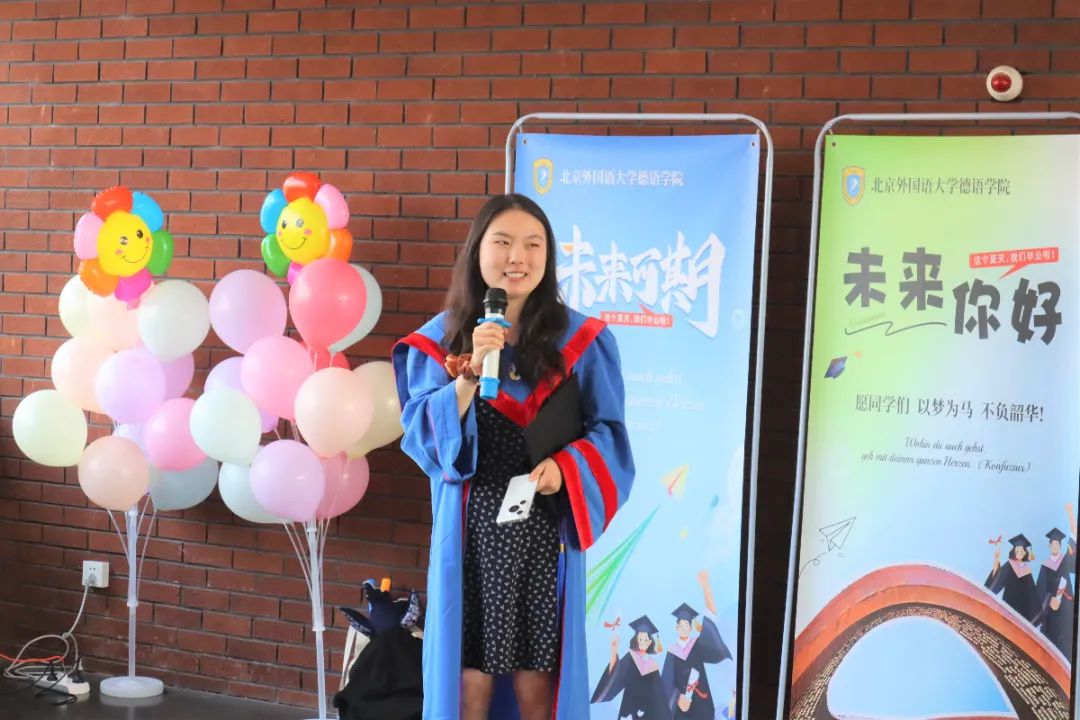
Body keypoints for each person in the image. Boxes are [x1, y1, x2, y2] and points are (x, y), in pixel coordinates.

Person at [392, 193, 635, 720]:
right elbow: (423, 437)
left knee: (537, 685)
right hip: (471, 533)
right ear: (477, 251)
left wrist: (566, 468)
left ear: (548, 257)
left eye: (533, 244)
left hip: (543, 532)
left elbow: (609, 435)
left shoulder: (583, 341)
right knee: (469, 685)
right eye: (502, 242)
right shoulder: (439, 341)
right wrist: (470, 373)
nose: (517, 257)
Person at [660, 571, 732, 719]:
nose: (684, 628)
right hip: (682, 711)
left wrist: (706, 586)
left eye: (687, 625)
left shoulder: (697, 646)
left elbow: (710, 619)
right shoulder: (672, 653)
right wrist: (678, 698)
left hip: (702, 705)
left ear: (691, 627)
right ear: (676, 628)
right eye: (681, 625)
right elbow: (666, 683)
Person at [591, 616, 672, 720]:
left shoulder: (653, 665)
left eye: (646, 639)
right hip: (629, 710)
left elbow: (659, 696)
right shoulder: (630, 658)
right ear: (636, 640)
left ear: (650, 642)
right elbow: (616, 676)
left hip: (649, 713)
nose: (643, 642)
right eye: (640, 639)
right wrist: (613, 653)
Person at [1034, 507, 1076, 656]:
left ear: (1060, 546)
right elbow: (1040, 589)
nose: (1055, 546)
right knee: (1049, 642)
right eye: (1053, 544)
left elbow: (1073, 548)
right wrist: (1049, 601)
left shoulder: (1065, 561)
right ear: (1049, 545)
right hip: (1050, 612)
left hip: (1065, 609)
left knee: (1066, 642)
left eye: (1058, 544)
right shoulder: (1045, 566)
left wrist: (1070, 515)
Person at [985, 533, 1039, 622]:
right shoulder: (1010, 565)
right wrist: (996, 560)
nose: (1019, 553)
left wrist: (1036, 612)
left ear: (1025, 553)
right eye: (1017, 550)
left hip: (1023, 611)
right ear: (1013, 551)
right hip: (1008, 606)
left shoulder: (1027, 571)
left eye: (1022, 551)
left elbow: (1032, 593)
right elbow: (998, 577)